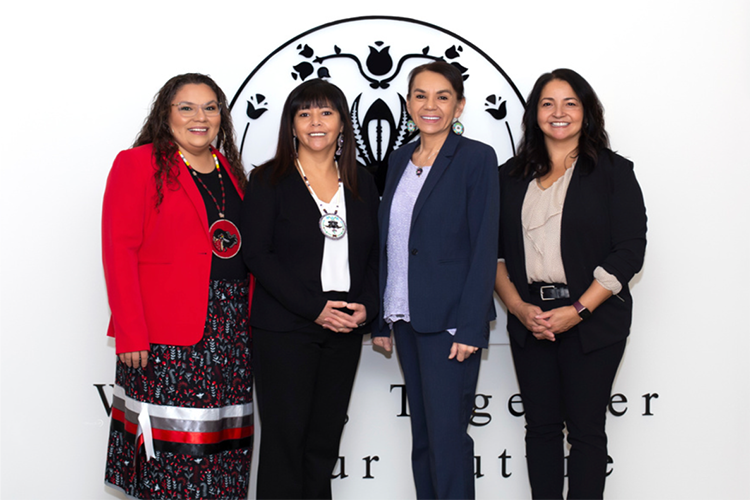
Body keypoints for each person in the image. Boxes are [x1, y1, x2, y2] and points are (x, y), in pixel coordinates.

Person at [494, 68, 647, 500]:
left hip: (592, 323)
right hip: (532, 322)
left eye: (570, 103)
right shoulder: (508, 178)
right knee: (540, 429)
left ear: (587, 112)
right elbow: (494, 256)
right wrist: (522, 311)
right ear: (534, 114)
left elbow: (629, 251)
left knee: (585, 432)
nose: (558, 113)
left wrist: (578, 310)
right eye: (547, 103)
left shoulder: (614, 171)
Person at [101, 73, 252, 499]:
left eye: (210, 107)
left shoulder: (230, 171)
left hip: (230, 332)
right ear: (166, 115)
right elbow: (119, 251)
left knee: (224, 455)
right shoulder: (138, 164)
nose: (199, 117)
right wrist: (131, 331)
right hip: (167, 335)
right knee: (171, 460)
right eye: (186, 107)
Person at [241, 78, 379, 500]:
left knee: (322, 446)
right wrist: (315, 309)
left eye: (326, 112)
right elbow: (258, 256)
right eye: (304, 114)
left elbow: (376, 255)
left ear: (342, 123)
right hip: (286, 329)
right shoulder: (268, 180)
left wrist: (367, 309)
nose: (315, 122)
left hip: (343, 330)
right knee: (285, 445)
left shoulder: (362, 181)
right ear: (292, 125)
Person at [372, 61, 499, 500]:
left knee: (448, 443)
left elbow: (485, 246)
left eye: (442, 96)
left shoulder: (476, 159)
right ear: (408, 104)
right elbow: (391, 240)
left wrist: (471, 326)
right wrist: (382, 317)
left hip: (448, 324)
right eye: (420, 96)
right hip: (406, 317)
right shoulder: (398, 159)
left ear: (459, 106)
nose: (431, 105)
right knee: (424, 441)